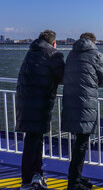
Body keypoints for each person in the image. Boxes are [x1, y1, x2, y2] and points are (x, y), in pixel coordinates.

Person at [16, 30, 65, 190]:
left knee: (34, 139)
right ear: (54, 42)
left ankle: (36, 175)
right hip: (40, 103)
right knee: (33, 142)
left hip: (25, 102)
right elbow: (63, 76)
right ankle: (27, 181)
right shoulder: (53, 54)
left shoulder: (31, 52)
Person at [61, 32, 103, 190]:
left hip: (70, 101)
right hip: (86, 104)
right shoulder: (97, 55)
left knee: (78, 143)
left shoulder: (71, 54)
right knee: (81, 144)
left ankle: (76, 178)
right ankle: (73, 183)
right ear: (93, 42)